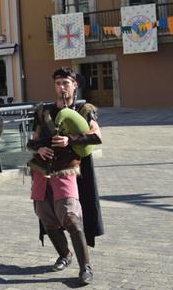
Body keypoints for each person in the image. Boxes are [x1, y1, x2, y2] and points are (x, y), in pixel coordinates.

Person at [27, 67, 104, 285]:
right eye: (58, 83)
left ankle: (85, 267)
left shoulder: (84, 109)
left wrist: (70, 140)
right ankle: (64, 255)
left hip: (68, 171)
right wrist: (39, 149)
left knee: (71, 219)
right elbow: (32, 141)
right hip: (42, 172)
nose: (62, 87)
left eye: (66, 83)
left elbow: (97, 136)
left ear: (74, 85)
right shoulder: (43, 111)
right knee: (47, 219)